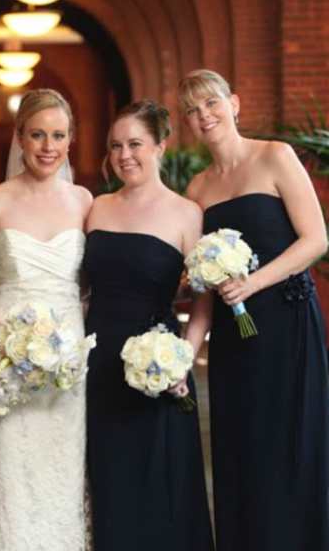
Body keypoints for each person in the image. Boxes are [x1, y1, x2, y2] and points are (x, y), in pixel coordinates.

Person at [179, 68, 329, 550]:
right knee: (241, 447)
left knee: (290, 445)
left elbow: (316, 239)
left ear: (234, 104)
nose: (204, 115)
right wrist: (186, 352)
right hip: (234, 339)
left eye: (211, 103)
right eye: (192, 110)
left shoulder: (275, 156)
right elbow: (203, 289)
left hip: (287, 323)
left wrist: (254, 283)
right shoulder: (197, 190)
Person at [0, 88, 93, 550]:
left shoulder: (84, 201)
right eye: (37, 135)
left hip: (68, 363)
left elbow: (94, 280)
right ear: (19, 138)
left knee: (64, 470)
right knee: (12, 469)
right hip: (7, 360)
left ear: (71, 140)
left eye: (58, 135)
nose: (48, 146)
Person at [83, 99, 214, 551]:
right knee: (110, 485)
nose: (124, 155)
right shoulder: (96, 207)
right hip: (99, 365)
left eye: (135, 144)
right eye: (115, 146)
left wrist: (183, 359)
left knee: (160, 486)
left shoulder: (187, 213)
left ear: (160, 146)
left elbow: (203, 299)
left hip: (158, 367)